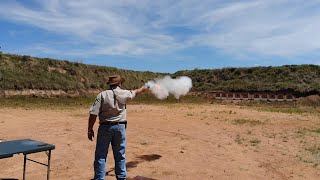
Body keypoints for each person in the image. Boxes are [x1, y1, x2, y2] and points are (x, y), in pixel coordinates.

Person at [87, 75, 147, 180]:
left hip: (105, 127)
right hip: (120, 127)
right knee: (120, 155)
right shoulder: (124, 93)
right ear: (119, 83)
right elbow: (136, 92)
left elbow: (93, 113)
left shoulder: (102, 95)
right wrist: (144, 88)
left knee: (101, 156)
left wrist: (90, 128)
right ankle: (121, 178)